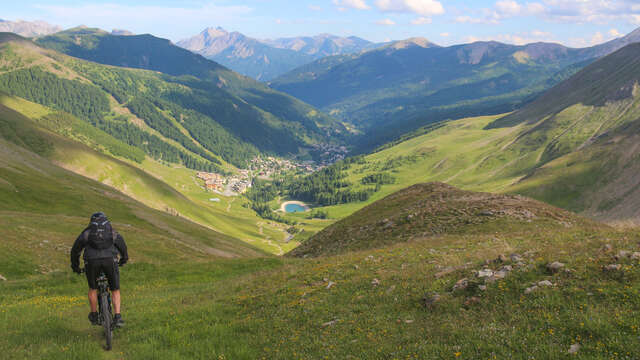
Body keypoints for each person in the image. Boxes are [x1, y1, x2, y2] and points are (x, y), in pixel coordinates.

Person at [70, 212, 129, 327]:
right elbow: (122, 246)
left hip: (91, 261)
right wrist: (123, 260)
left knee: (93, 288)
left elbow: (75, 251)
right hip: (110, 260)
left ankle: (94, 314)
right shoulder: (111, 231)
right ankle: (117, 316)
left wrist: (76, 267)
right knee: (115, 289)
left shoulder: (87, 233)